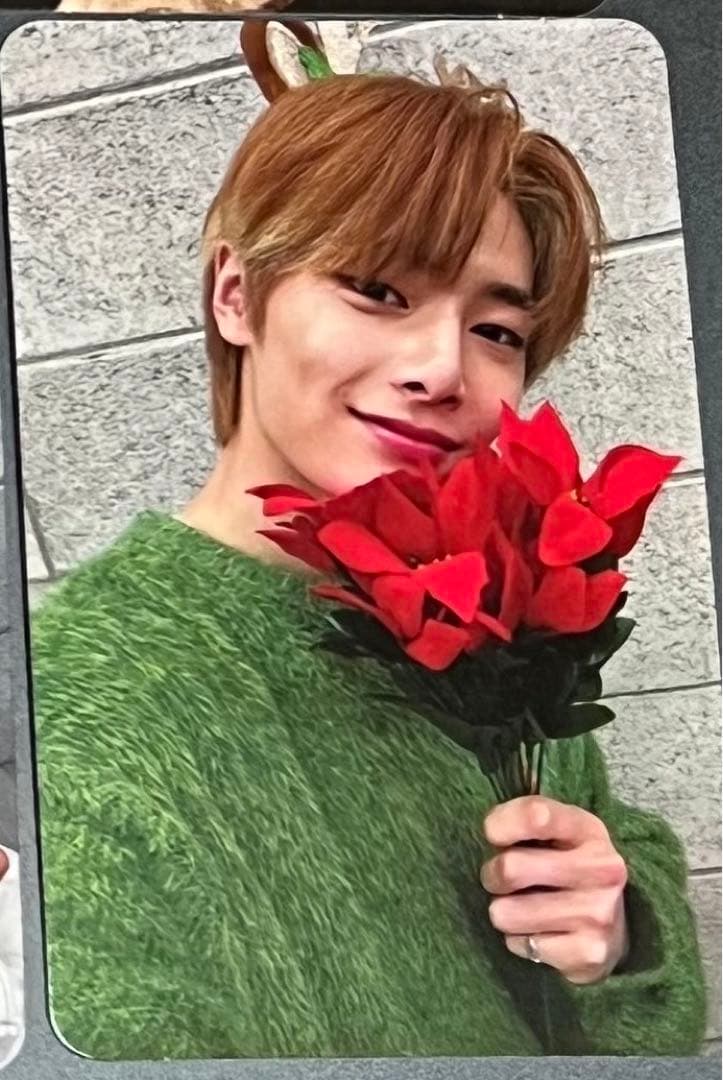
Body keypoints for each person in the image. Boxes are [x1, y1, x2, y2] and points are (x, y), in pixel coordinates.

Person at [28, 30, 706, 1063]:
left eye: (497, 332)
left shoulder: (498, 610)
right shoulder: (76, 705)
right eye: (380, 292)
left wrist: (613, 937)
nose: (443, 368)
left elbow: (614, 876)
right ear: (236, 295)